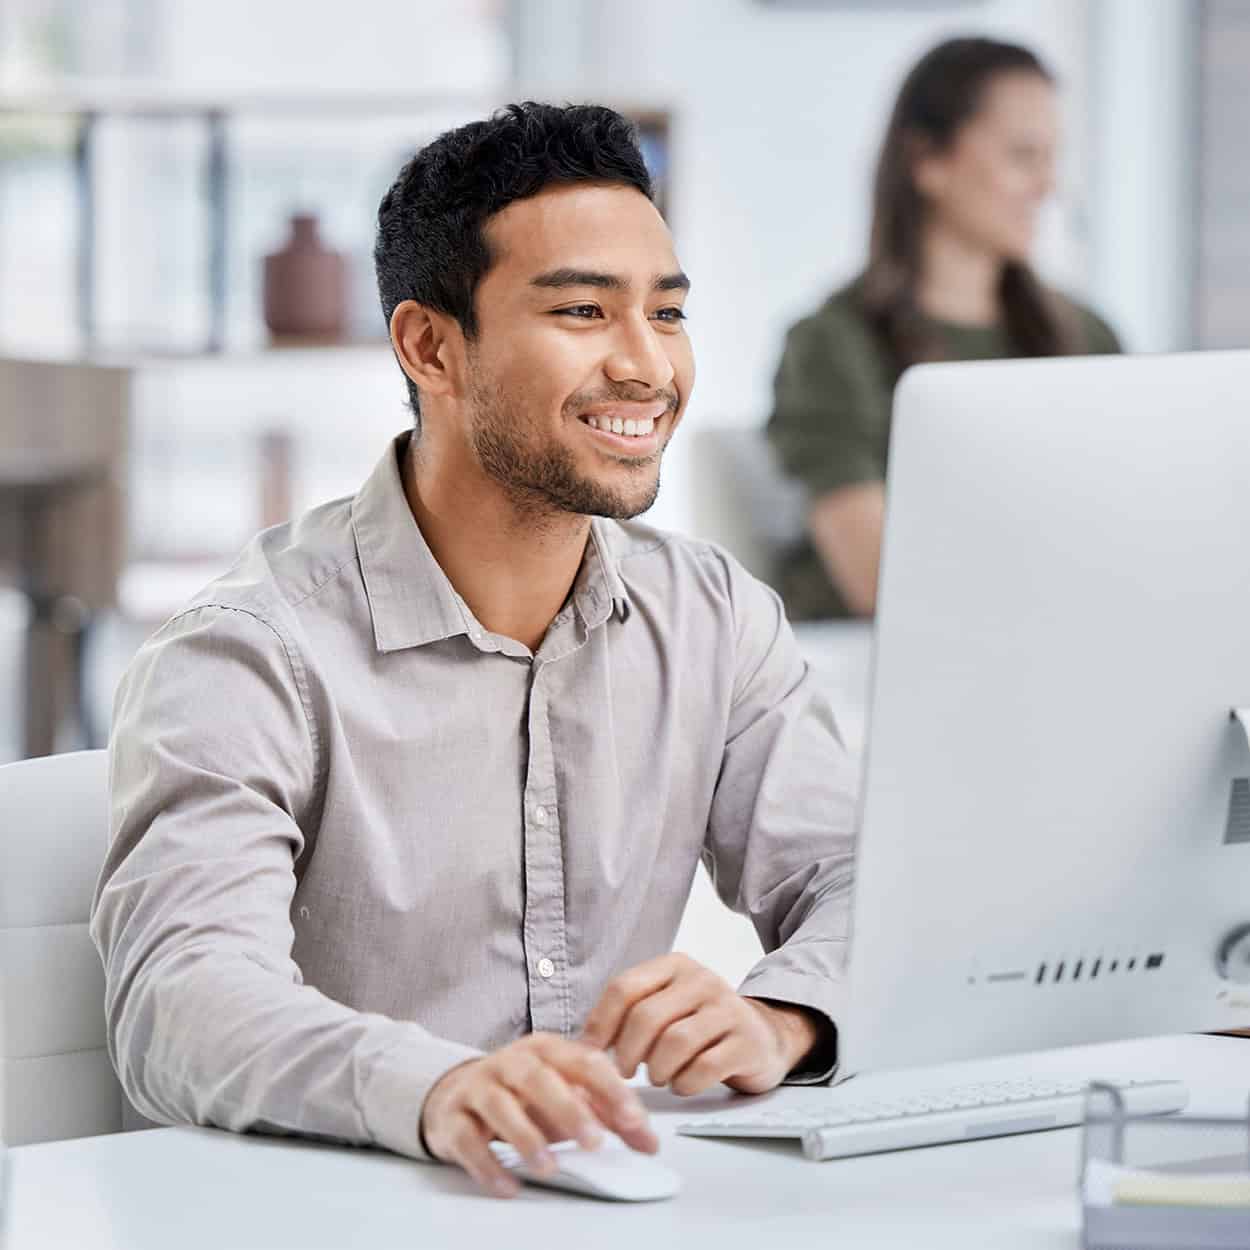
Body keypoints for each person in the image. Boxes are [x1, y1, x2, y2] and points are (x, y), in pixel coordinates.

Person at [91, 103, 857, 1200]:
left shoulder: (711, 615)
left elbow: (853, 876)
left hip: (598, 1205)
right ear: (429, 345)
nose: (645, 365)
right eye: (584, 311)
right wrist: (433, 1086)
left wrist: (781, 1014)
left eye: (667, 311)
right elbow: (181, 997)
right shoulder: (247, 651)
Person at [767, 37, 1121, 621]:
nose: (1047, 185)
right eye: (1023, 156)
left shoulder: (1087, 336)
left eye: (1051, 158)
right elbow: (877, 583)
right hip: (872, 672)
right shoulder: (833, 344)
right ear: (928, 161)